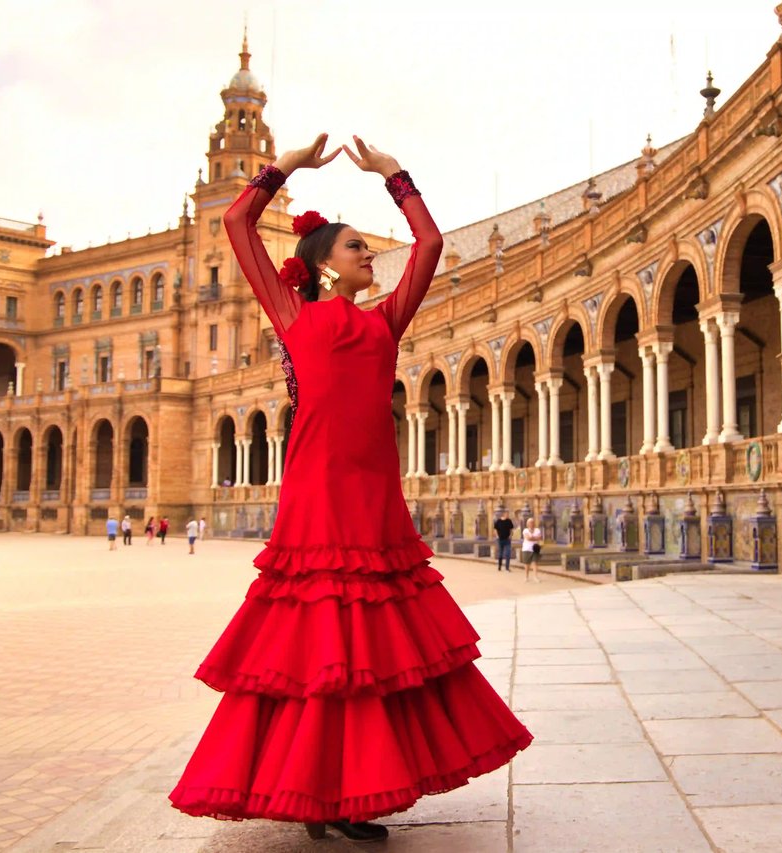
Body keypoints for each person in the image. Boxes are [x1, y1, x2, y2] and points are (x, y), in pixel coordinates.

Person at [170, 135, 531, 842]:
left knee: (368, 649)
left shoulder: (384, 322)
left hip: (374, 496)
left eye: (368, 249)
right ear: (322, 265)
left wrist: (397, 177)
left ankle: (352, 792)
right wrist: (286, 171)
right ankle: (314, 793)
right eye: (357, 248)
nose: (371, 257)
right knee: (315, 646)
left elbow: (427, 246)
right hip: (315, 495)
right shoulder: (292, 314)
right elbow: (236, 225)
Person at [492, 507, 515, 572]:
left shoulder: (509, 521)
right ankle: (499, 566)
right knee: (500, 553)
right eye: (507, 513)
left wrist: (510, 536)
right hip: (500, 539)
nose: (508, 514)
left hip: (507, 540)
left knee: (508, 553)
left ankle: (507, 567)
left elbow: (511, 529)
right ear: (504, 514)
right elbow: (495, 529)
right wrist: (497, 536)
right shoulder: (498, 521)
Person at [521, 516, 543, 583]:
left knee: (535, 563)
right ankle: (526, 577)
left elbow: (540, 537)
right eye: (530, 523)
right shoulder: (525, 530)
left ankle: (535, 577)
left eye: (532, 522)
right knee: (527, 564)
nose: (531, 524)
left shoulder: (537, 530)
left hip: (535, 549)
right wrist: (535, 538)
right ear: (527, 524)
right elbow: (528, 538)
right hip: (526, 549)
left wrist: (532, 537)